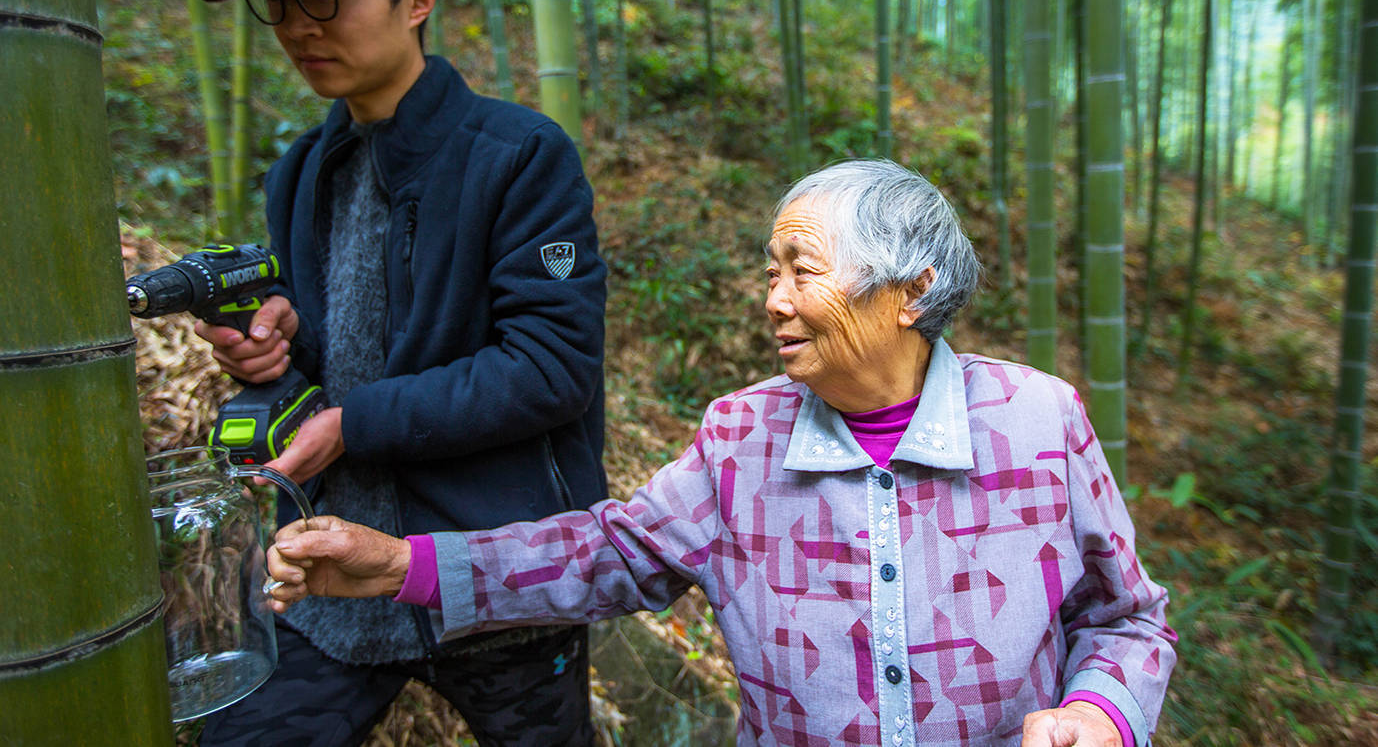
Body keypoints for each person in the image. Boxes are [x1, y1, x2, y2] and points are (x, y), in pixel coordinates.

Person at [265, 159, 1177, 747]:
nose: (773, 299)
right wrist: (401, 565)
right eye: (770, 271)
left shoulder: (1037, 422)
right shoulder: (743, 439)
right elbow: (607, 553)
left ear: (911, 291)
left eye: (802, 269)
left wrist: (1100, 714)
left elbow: (1129, 620)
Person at [190, 0, 607, 747]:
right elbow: (328, 359)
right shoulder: (300, 172)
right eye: (276, 1)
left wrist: (353, 424)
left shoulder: (519, 156)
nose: (298, 26)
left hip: (492, 574)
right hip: (332, 572)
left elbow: (550, 368)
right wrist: (276, 351)